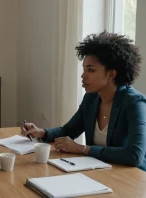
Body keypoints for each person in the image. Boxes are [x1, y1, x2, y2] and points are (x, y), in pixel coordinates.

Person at [21, 31, 146, 171]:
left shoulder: (135, 104)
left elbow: (134, 155)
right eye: (84, 69)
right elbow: (68, 130)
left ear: (111, 73)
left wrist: (82, 149)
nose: (83, 75)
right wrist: (41, 132)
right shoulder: (92, 98)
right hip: (100, 171)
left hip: (131, 178)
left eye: (91, 70)